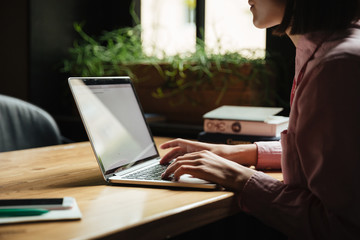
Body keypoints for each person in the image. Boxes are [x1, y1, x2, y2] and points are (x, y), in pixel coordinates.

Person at [160, 0, 360, 239]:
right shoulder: (331, 51)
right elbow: (336, 155)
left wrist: (237, 176)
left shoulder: (336, 67)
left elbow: (341, 227)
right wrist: (234, 153)